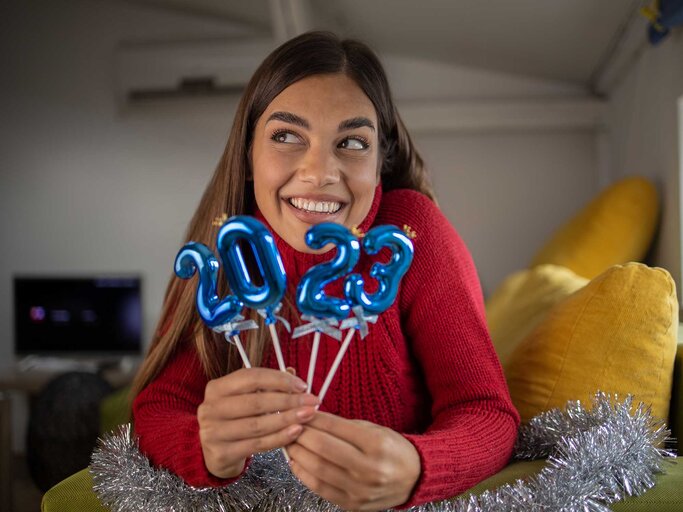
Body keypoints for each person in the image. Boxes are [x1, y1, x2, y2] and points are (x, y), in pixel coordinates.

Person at [131, 31, 520, 511]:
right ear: (248, 154)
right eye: (287, 136)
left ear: (382, 160)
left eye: (352, 142)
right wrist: (206, 446)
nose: (319, 171)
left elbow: (487, 412)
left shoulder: (415, 237)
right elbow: (157, 407)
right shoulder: (226, 251)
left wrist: (417, 465)